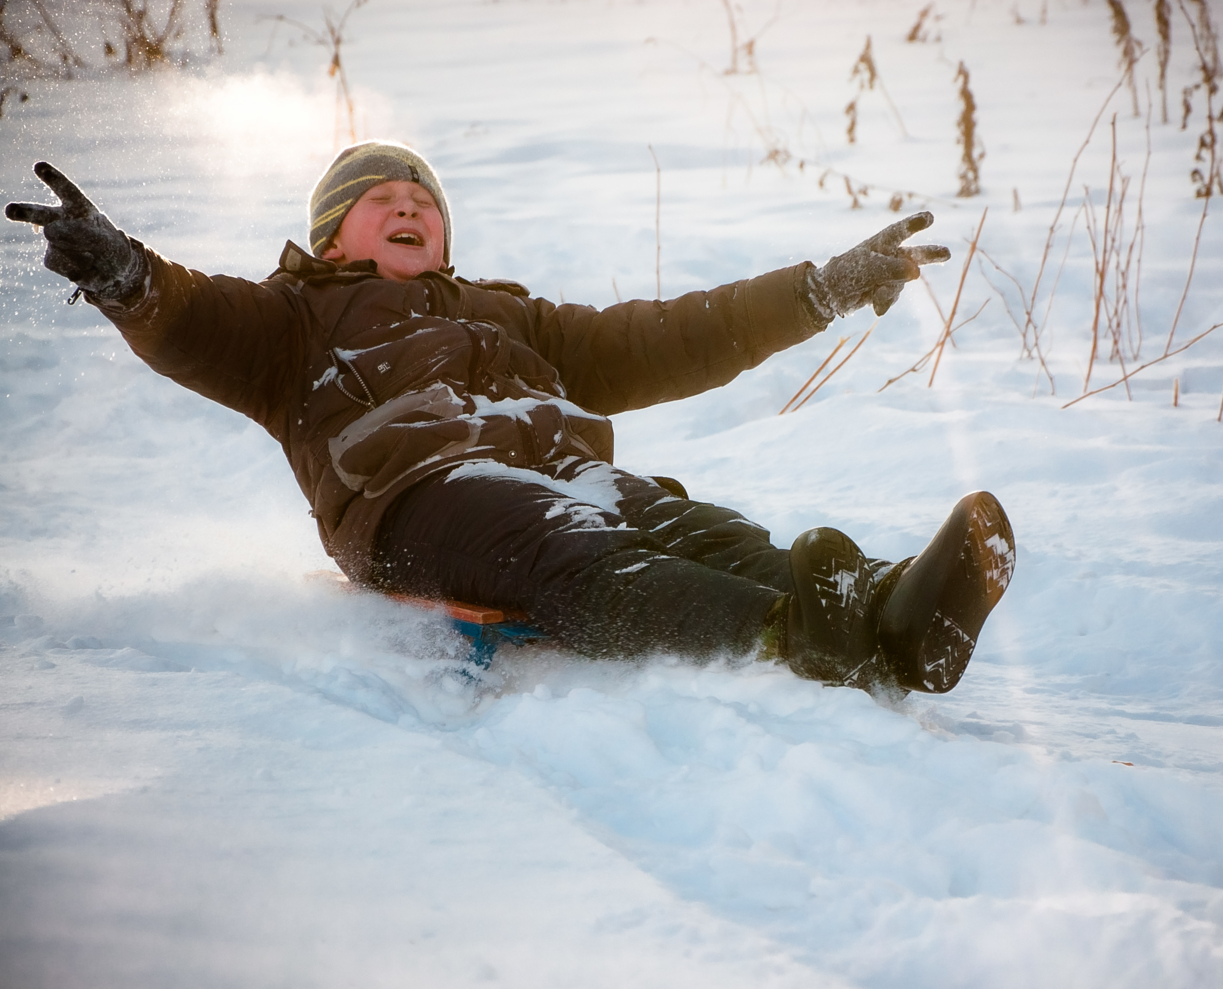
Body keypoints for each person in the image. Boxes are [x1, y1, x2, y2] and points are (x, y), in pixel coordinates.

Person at [5, 142, 1015, 695]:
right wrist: (126, 275)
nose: (408, 206)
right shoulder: (291, 318)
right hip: (419, 507)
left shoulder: (507, 312)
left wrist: (820, 289)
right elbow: (193, 320)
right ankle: (792, 637)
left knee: (686, 522)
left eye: (424, 200)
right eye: (379, 197)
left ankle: (890, 615)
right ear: (330, 233)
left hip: (566, 478)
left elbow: (669, 334)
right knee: (576, 546)